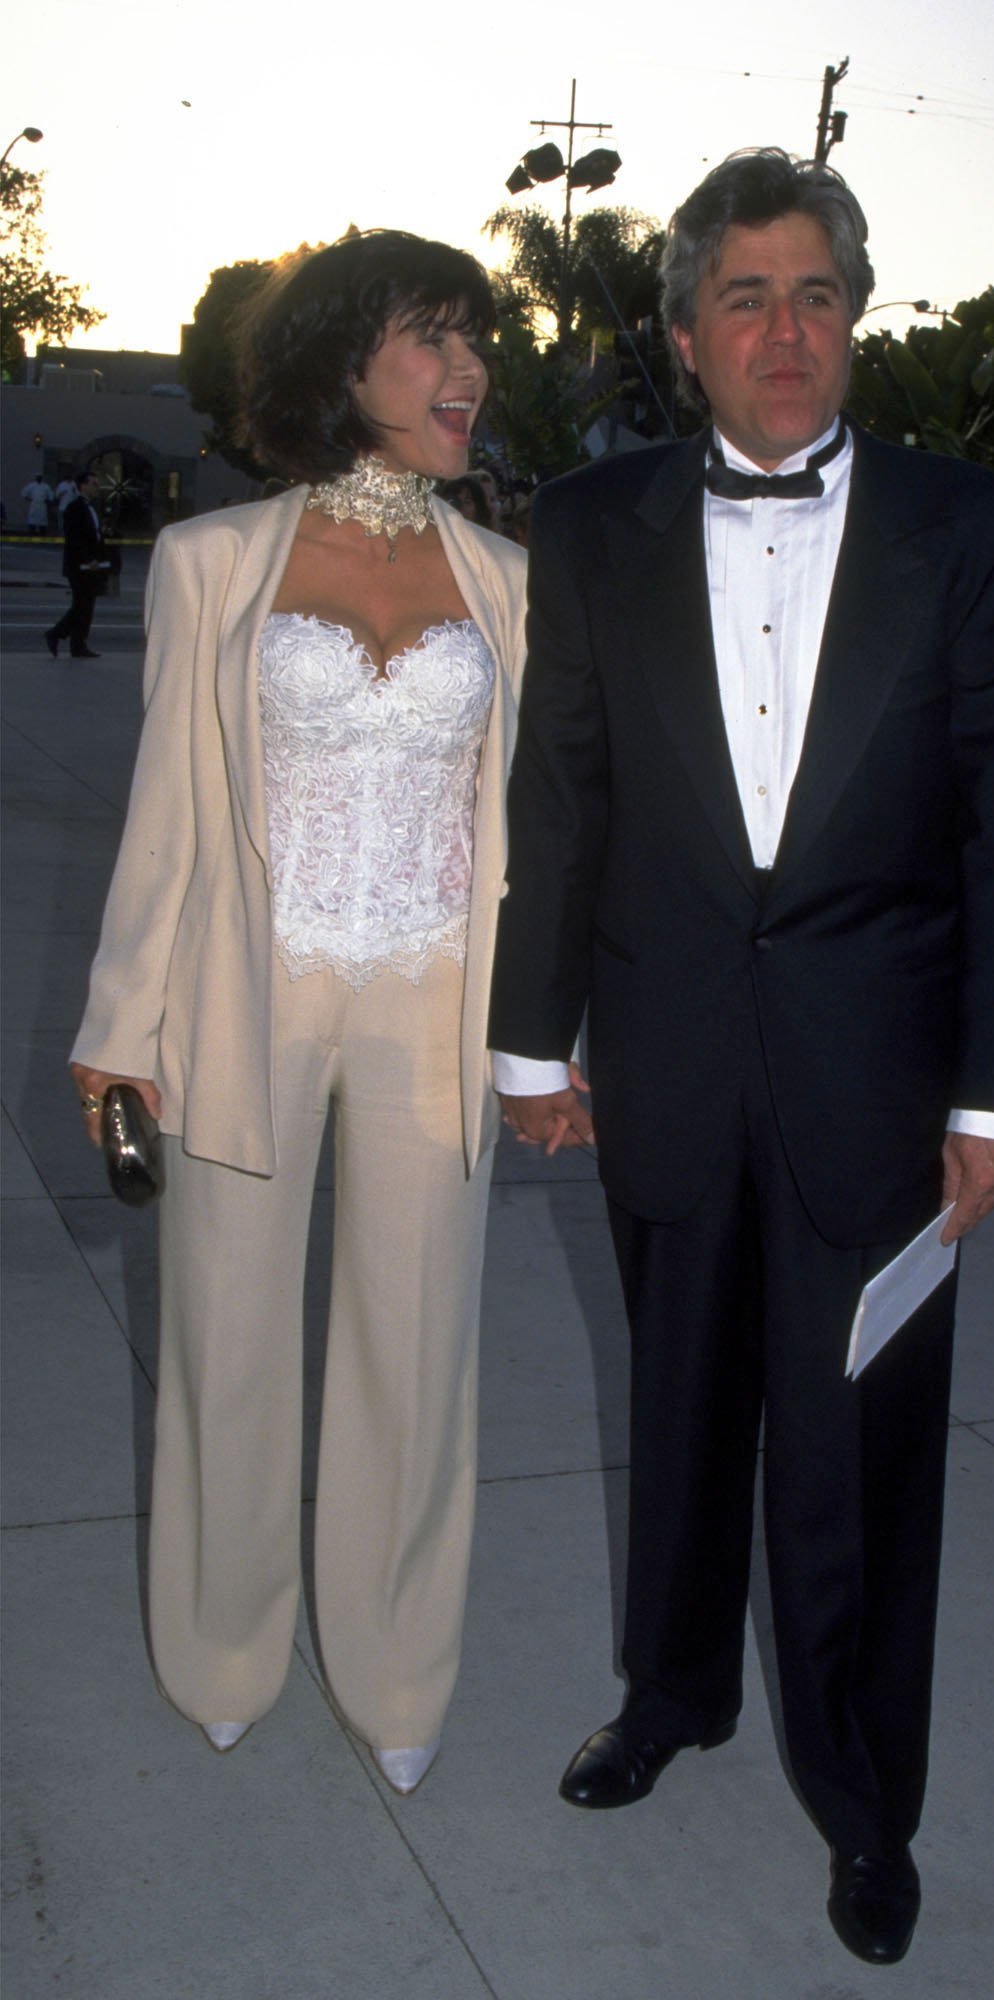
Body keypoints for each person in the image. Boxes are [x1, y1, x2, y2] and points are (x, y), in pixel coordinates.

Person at [488, 149, 994, 1966]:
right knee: (675, 1414)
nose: (781, 329)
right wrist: (530, 1044)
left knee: (859, 1454)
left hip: (880, 1088)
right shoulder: (584, 530)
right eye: (741, 297)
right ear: (682, 337)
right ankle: (671, 1695)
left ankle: (860, 1798)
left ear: (855, 317)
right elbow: (561, 798)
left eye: (813, 292)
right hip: (659, 1057)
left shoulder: (975, 533)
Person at [69, 230, 527, 1796]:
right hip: (244, 983)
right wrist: (121, 1024)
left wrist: (549, 1038)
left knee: (420, 1345)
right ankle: (222, 1648)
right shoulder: (217, 563)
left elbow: (539, 828)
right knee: (227, 1331)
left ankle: (398, 1667)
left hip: (434, 995)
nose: (467, 370)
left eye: (475, 339)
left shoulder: (509, 581)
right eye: (429, 340)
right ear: (344, 365)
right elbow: (166, 820)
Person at [45, 471, 108, 659]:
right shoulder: (74, 508)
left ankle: (77, 644)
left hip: (91, 565)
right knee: (82, 605)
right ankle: (57, 634)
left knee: (85, 605)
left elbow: (93, 535)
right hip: (79, 566)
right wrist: (88, 558)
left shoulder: (91, 508)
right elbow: (74, 538)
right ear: (83, 486)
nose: (97, 487)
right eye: (94, 484)